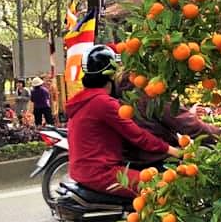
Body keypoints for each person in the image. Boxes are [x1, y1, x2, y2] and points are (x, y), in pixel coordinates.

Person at [65, 45, 181, 197]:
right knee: (162, 188)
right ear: (111, 75)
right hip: (101, 173)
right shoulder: (103, 102)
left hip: (81, 171)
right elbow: (137, 135)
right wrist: (172, 150)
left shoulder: (83, 99)